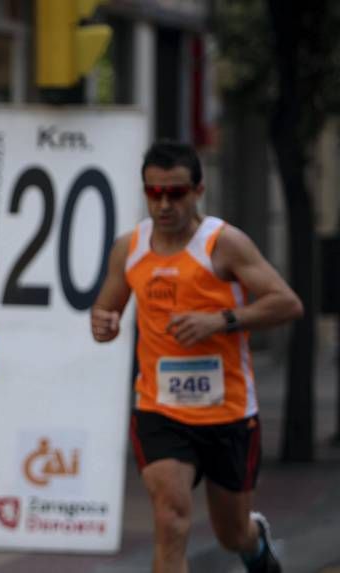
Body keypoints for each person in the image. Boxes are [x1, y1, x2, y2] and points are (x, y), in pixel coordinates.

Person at [90, 140, 302, 573]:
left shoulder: (224, 244)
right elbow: (105, 310)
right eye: (154, 193)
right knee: (170, 519)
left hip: (228, 414)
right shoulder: (130, 247)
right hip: (160, 408)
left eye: (176, 193)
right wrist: (103, 323)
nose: (164, 204)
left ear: (198, 190)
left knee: (230, 533)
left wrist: (222, 320)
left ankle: (255, 542)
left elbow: (287, 303)